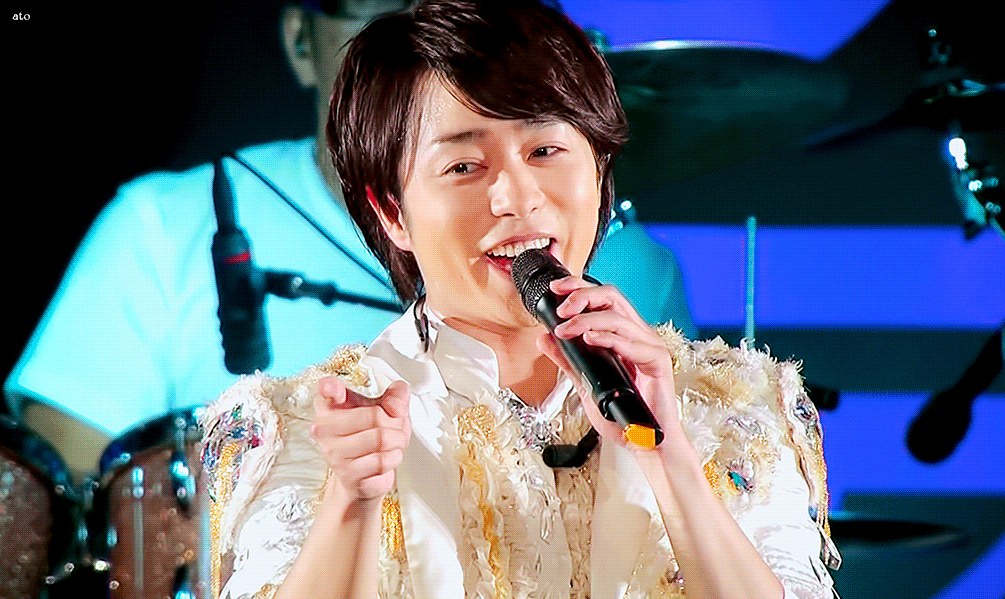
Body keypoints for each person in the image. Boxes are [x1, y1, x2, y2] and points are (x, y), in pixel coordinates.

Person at [201, 1, 840, 599]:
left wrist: (670, 456)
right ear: (393, 212)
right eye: (463, 167)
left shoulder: (736, 408)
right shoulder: (300, 430)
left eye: (545, 151)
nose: (517, 197)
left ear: (600, 173)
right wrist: (352, 500)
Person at [3, 0, 694, 482]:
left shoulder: (629, 265)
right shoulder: (164, 223)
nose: (418, 36)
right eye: (375, 7)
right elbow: (56, 478)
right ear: (301, 41)